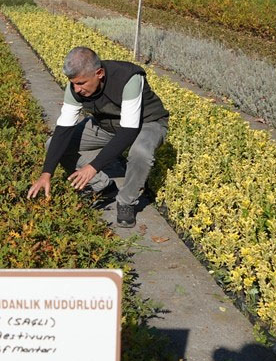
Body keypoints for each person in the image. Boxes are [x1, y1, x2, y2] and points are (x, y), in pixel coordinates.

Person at [27, 47, 170, 228]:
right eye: (73, 83)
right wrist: (46, 173)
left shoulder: (128, 78)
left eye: (81, 83)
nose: (76, 89)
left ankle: (126, 201)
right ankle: (103, 186)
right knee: (53, 144)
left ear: (99, 73)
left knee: (140, 152)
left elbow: (128, 131)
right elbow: (63, 130)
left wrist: (92, 166)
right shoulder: (74, 88)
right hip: (107, 124)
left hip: (146, 122)